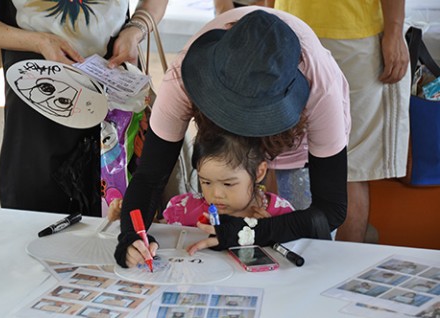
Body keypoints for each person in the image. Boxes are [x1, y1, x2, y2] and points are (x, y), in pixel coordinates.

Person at [114, 8, 350, 269]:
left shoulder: (320, 86)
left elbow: (329, 211)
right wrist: (129, 236)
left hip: (296, 138)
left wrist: (244, 233)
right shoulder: (183, 76)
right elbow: (149, 177)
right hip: (229, 132)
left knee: (302, 254)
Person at [0, 0, 168, 216]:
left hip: (117, 106)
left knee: (120, 226)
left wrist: (136, 29)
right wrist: (39, 41)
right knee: (34, 224)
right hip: (38, 110)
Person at [273, 0, 410, 242]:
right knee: (348, 166)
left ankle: (286, 262)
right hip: (344, 30)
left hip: (292, 26)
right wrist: (394, 30)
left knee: (280, 153)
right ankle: (338, 270)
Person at [162, 130, 294, 226]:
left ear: (259, 172)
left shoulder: (281, 214)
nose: (216, 194)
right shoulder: (186, 211)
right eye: (206, 182)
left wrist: (272, 232)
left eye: (228, 184)